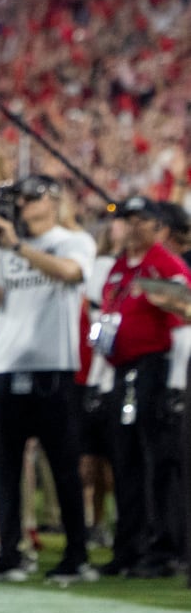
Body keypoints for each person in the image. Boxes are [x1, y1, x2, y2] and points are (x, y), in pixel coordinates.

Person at [0, 175, 97, 582]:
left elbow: (70, 274)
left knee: (63, 466)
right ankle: (10, 551)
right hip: (5, 363)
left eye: (29, 197)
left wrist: (17, 248)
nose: (22, 205)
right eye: (18, 199)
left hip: (53, 365)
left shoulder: (72, 240)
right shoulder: (3, 245)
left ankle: (76, 554)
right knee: (6, 468)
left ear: (53, 200)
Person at [96, 196, 191, 578]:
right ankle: (129, 546)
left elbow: (183, 324)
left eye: (140, 220)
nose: (132, 227)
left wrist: (175, 385)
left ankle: (162, 547)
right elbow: (107, 318)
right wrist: (101, 378)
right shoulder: (119, 267)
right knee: (125, 459)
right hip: (122, 371)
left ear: (158, 227)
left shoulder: (165, 265)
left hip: (156, 368)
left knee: (158, 461)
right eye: (127, 220)